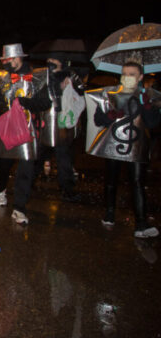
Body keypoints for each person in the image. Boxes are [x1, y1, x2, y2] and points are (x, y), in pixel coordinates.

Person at [88, 60, 160, 238]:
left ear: (140, 77)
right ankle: (110, 213)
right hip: (112, 144)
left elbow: (152, 123)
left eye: (132, 75)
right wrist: (110, 115)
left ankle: (141, 224)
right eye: (124, 74)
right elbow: (99, 120)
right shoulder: (110, 94)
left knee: (137, 183)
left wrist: (147, 106)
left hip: (136, 145)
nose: (127, 78)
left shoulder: (148, 96)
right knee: (111, 180)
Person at [0, 43, 51, 225]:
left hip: (29, 128)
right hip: (8, 127)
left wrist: (27, 103)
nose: (6, 64)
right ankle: (0, 189)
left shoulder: (38, 77)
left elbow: (45, 103)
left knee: (26, 168)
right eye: (4, 61)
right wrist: (5, 105)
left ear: (18, 58)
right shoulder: (2, 78)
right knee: (4, 164)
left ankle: (19, 208)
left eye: (9, 60)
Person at [34, 56, 85, 202]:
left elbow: (81, 91)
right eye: (48, 60)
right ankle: (29, 182)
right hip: (47, 122)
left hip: (62, 124)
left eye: (54, 61)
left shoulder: (70, 76)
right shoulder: (43, 76)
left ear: (61, 63)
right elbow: (40, 96)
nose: (50, 63)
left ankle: (67, 189)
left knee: (64, 158)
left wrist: (70, 81)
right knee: (40, 155)